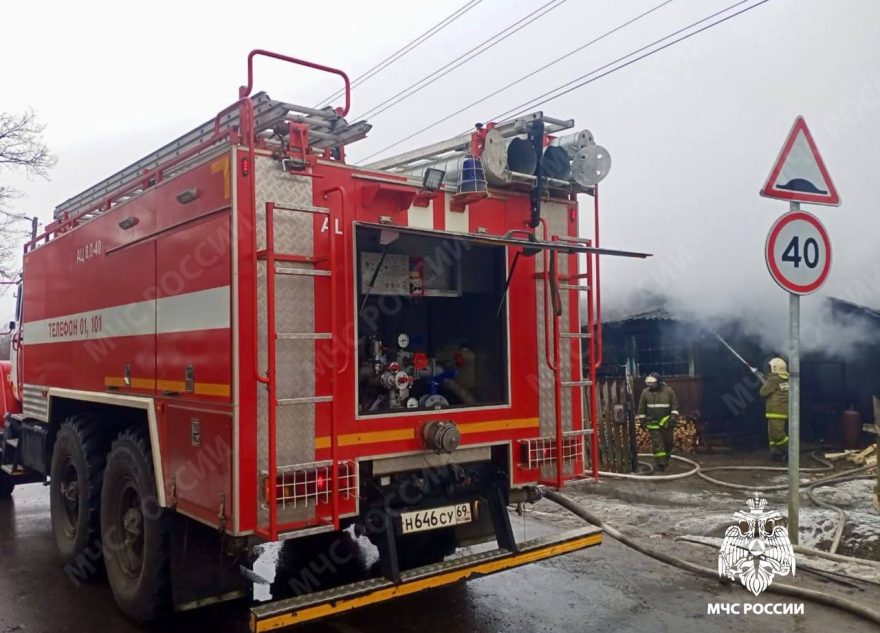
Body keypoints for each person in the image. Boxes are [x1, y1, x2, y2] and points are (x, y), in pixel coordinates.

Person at [636, 372, 680, 471]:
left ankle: (665, 461)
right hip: (652, 423)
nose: (651, 385)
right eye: (649, 384)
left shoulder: (668, 391)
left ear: (659, 382)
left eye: (653, 383)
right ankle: (660, 464)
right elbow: (641, 408)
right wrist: (642, 420)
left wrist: (673, 418)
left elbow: (674, 406)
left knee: (668, 443)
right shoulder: (645, 392)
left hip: (666, 423)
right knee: (658, 444)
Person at [759, 357, 790, 461]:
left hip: (775, 411)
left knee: (776, 434)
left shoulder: (773, 379)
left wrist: (765, 382)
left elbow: (763, 392)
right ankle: (776, 453)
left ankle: (789, 450)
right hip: (782, 410)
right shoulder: (786, 378)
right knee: (772, 434)